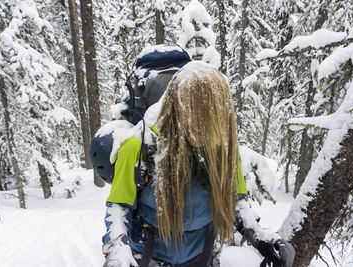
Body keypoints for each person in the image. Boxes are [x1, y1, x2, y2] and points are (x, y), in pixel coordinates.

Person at [100, 61, 295, 267]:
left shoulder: (225, 152)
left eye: (210, 113)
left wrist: (259, 236)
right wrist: (117, 250)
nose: (200, 122)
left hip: (200, 257)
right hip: (148, 257)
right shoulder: (139, 146)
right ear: (176, 106)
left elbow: (236, 200)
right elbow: (119, 205)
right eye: (191, 108)